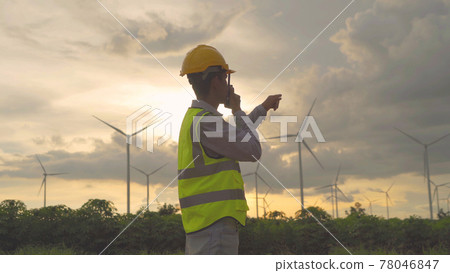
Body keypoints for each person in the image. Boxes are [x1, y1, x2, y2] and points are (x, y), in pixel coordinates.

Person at [178, 44, 281, 254]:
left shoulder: (196, 119)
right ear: (215, 81)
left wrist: (263, 109)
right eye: (225, 78)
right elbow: (252, 149)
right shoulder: (207, 123)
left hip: (205, 224)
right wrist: (236, 109)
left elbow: (237, 136)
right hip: (215, 226)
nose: (228, 85)